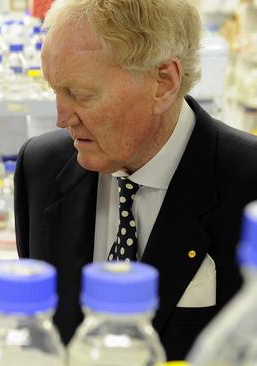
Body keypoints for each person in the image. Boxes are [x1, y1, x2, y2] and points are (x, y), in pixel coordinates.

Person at [14, 0, 257, 361]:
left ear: (163, 82)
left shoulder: (248, 184)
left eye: (80, 94)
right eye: (55, 90)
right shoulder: (42, 168)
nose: (62, 118)